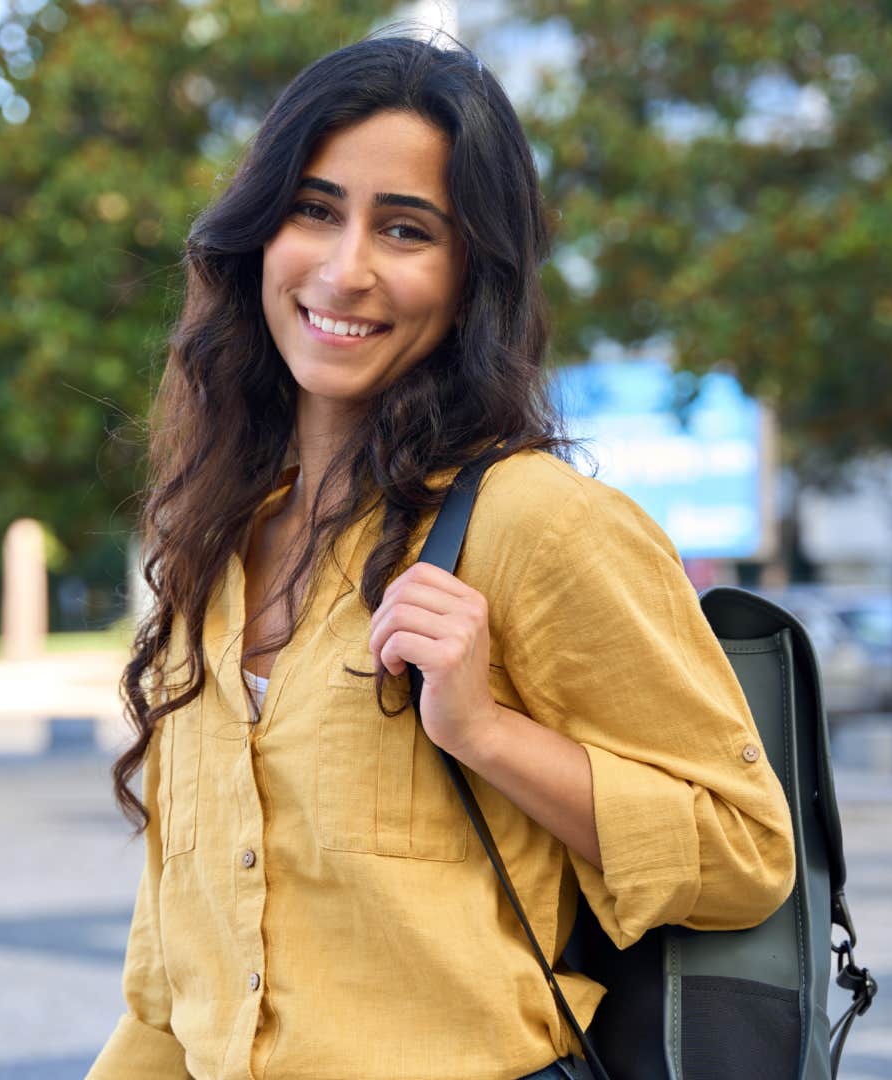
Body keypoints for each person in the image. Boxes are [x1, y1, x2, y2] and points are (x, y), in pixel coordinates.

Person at [89, 33, 795, 1080]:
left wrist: (485, 732)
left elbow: (747, 855)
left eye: (406, 228)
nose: (346, 268)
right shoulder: (215, 545)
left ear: (472, 277)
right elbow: (168, 991)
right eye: (314, 209)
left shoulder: (537, 525)